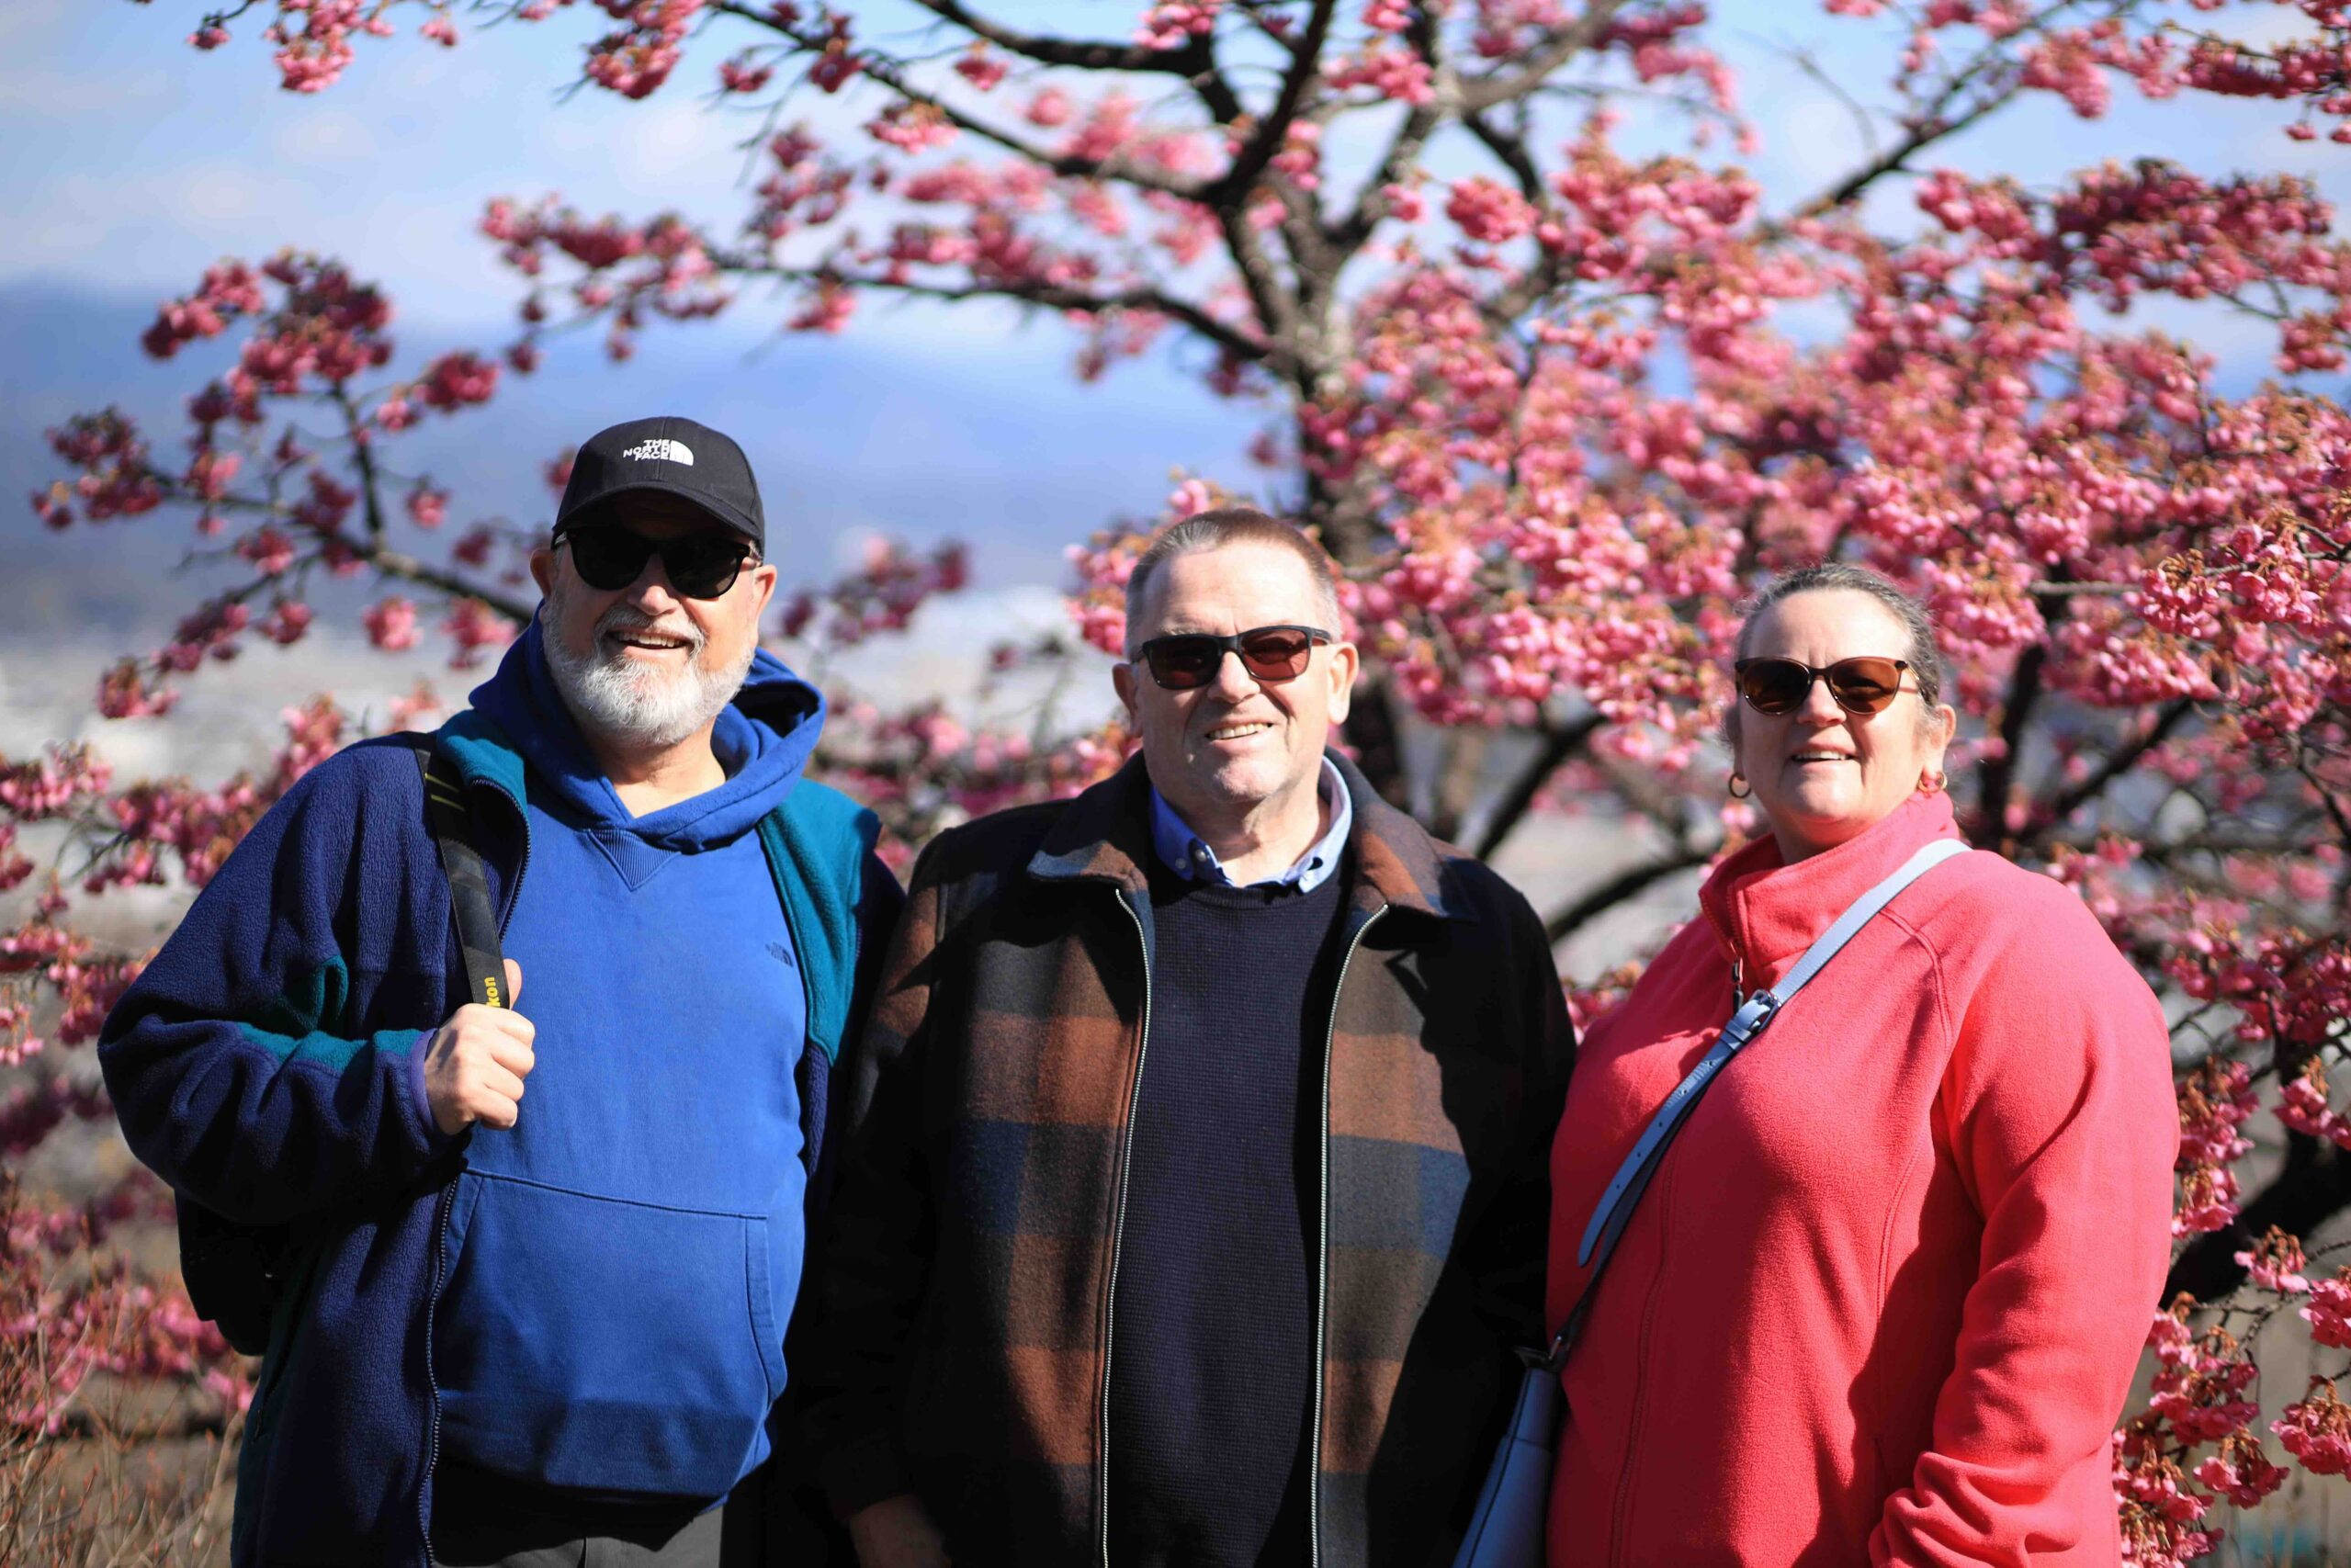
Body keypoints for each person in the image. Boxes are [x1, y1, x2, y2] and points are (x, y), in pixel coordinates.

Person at [100, 415, 901, 1568]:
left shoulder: (826, 869)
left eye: (701, 564)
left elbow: (883, 1205)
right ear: (549, 575)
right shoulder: (391, 811)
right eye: (614, 554)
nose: (654, 595)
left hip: (729, 1528)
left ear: (759, 592)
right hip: (422, 1513)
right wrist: (393, 1087)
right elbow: (166, 1055)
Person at [804, 508, 1576, 1568]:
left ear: (1339, 674)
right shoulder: (985, 899)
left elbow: (1525, 1271)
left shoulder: (1471, 933)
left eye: (1274, 647)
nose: (1232, 683)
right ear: (1130, 693)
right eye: (1183, 656)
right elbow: (867, 1229)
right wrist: (873, 1499)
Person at [1543, 561, 2178, 1564]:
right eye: (1775, 685)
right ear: (1737, 737)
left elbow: (2057, 1331)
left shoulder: (2017, 947)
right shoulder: (1687, 963)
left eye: (1863, 683)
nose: (1817, 709)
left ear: (1933, 734)